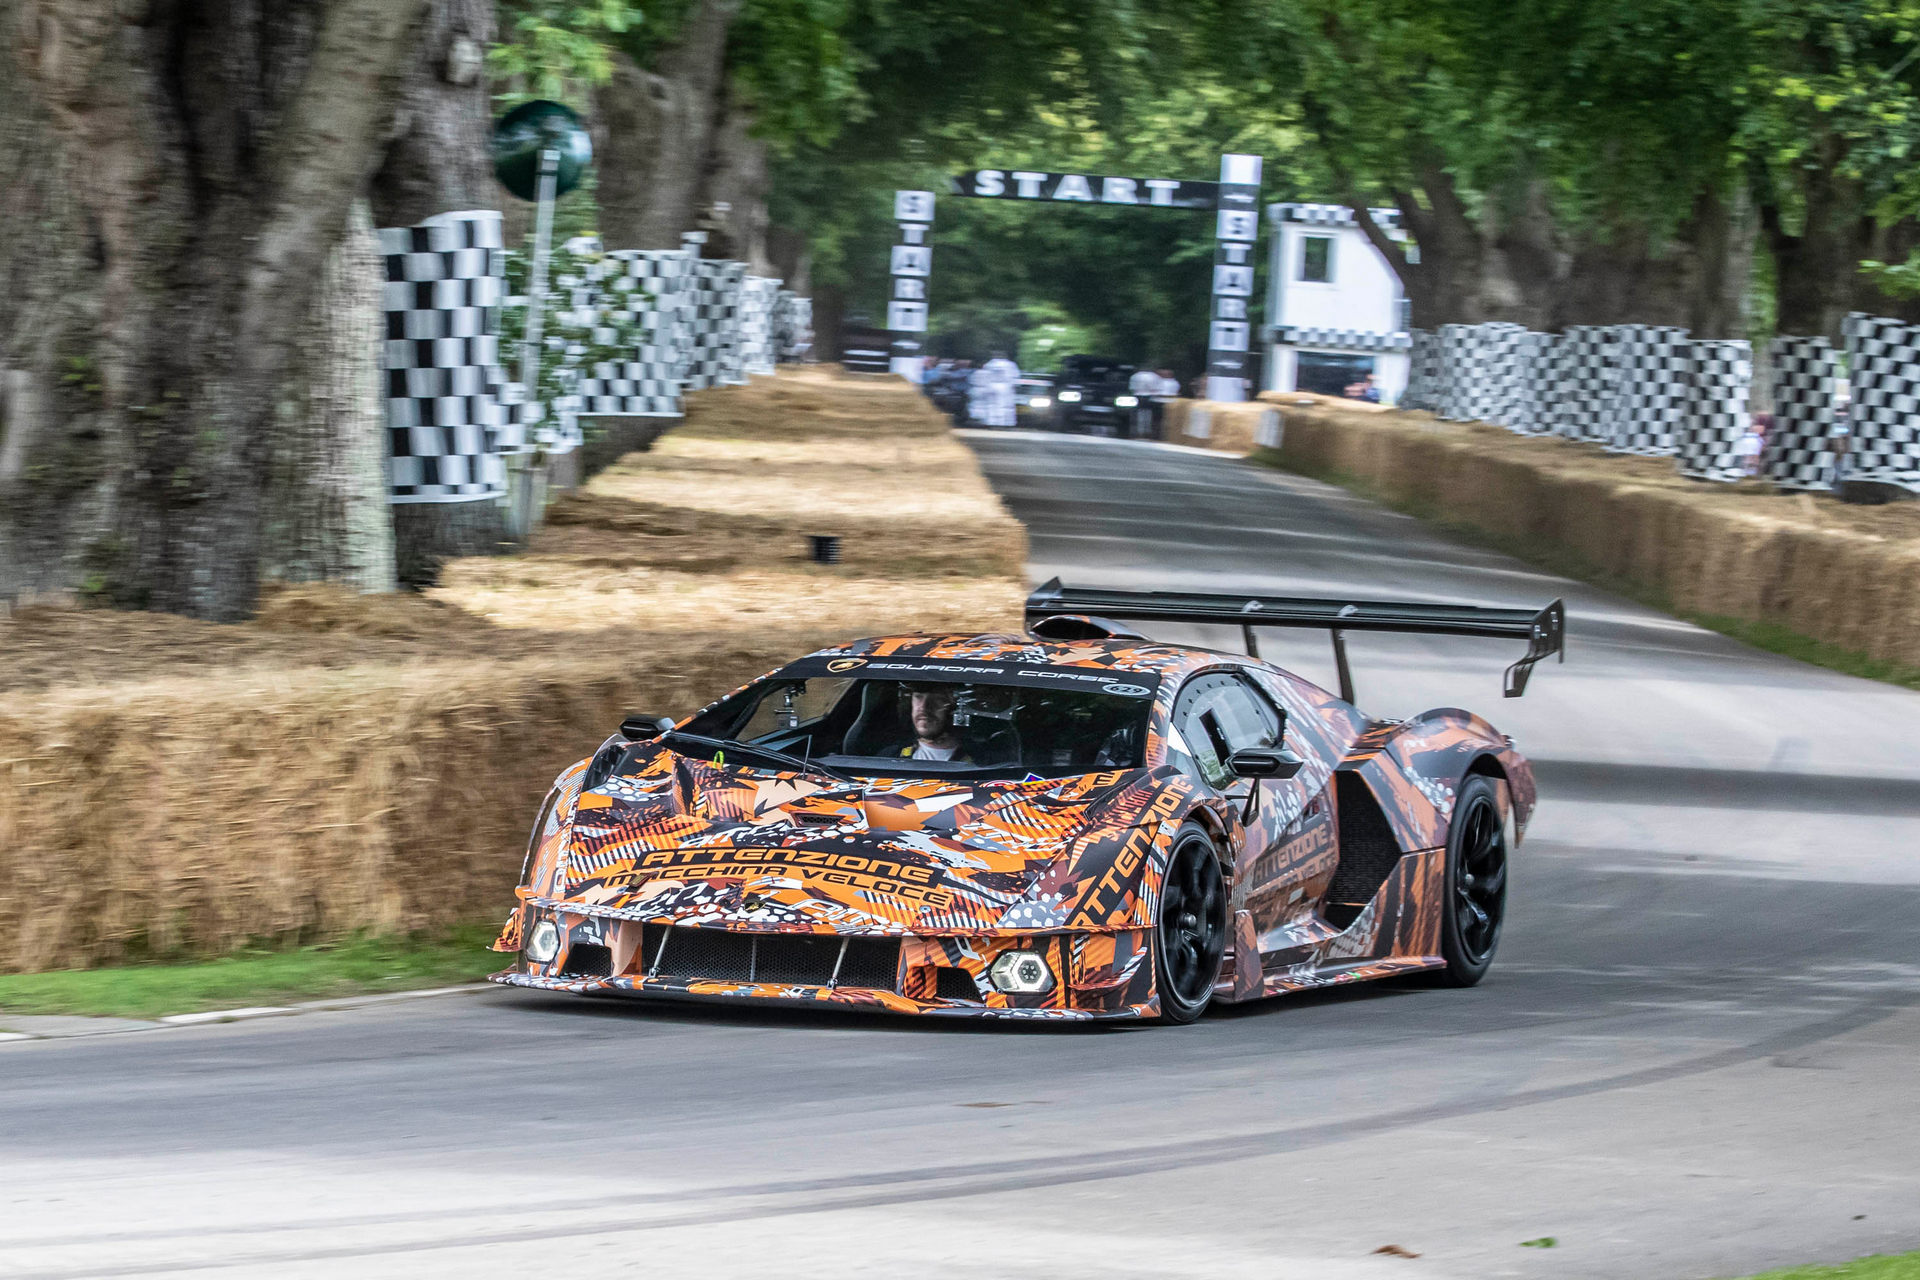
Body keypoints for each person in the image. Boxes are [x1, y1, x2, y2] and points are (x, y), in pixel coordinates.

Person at [898, 685, 970, 761]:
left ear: (954, 708)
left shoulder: (974, 761)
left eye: (936, 698)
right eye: (918, 697)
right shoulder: (894, 755)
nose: (923, 707)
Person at [979, 350, 1021, 427]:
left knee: (991, 404)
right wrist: (1013, 386)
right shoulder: (1010, 365)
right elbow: (1014, 377)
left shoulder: (989, 364)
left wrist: (985, 386)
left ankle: (991, 422)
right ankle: (1003, 422)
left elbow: (984, 376)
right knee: (1004, 405)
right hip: (1005, 386)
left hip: (991, 385)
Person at [1127, 365, 1160, 438]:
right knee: (1148, 414)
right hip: (1150, 397)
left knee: (1139, 414)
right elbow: (1156, 389)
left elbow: (1132, 388)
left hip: (1138, 396)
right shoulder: (1154, 376)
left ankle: (1139, 431)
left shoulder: (1135, 376)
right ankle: (1147, 431)